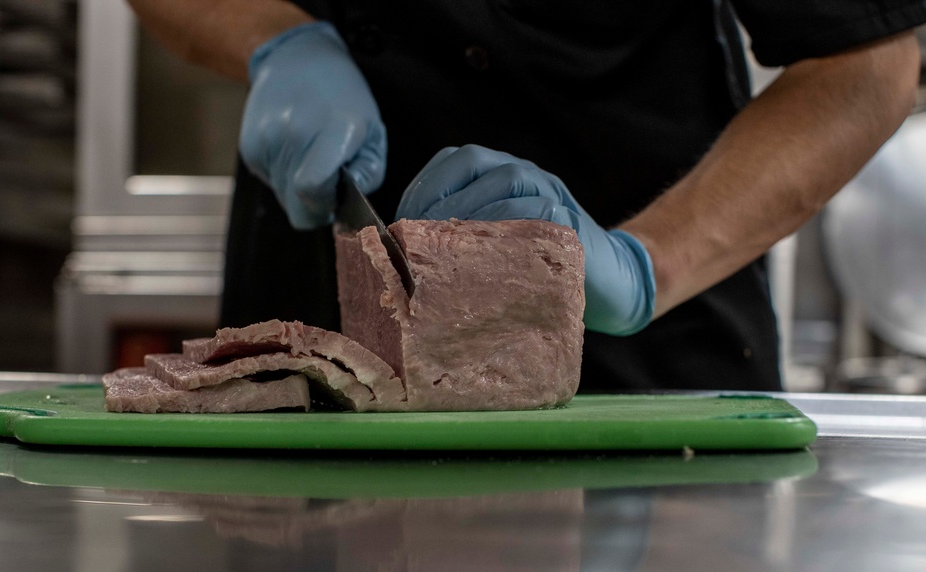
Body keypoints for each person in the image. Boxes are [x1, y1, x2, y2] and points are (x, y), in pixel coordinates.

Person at [127, 0, 925, 392]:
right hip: (314, 356)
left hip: (639, 363)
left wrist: (644, 263)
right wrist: (272, 36)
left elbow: (864, 64)